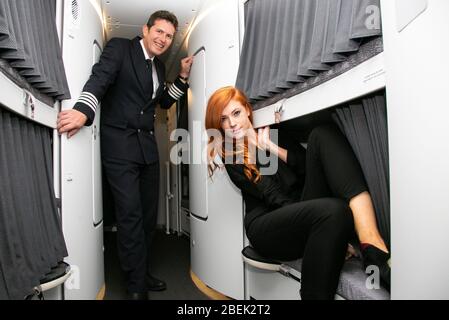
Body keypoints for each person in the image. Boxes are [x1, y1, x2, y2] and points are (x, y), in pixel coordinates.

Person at [205, 86, 390, 300]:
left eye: (235, 113)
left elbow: (307, 165)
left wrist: (271, 147)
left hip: (300, 207)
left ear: (247, 110)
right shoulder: (231, 155)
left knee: (322, 134)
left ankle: (371, 243)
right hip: (268, 226)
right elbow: (274, 196)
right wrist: (326, 226)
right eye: (224, 120)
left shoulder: (273, 134)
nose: (232, 124)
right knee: (334, 211)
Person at [57, 10, 194, 300]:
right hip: (119, 146)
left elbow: (164, 101)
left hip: (147, 151)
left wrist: (182, 77)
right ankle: (135, 285)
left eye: (169, 36)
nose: (164, 40)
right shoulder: (120, 47)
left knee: (146, 218)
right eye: (159, 32)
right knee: (130, 216)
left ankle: (141, 271)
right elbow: (100, 78)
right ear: (146, 29)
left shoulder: (158, 67)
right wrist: (83, 110)